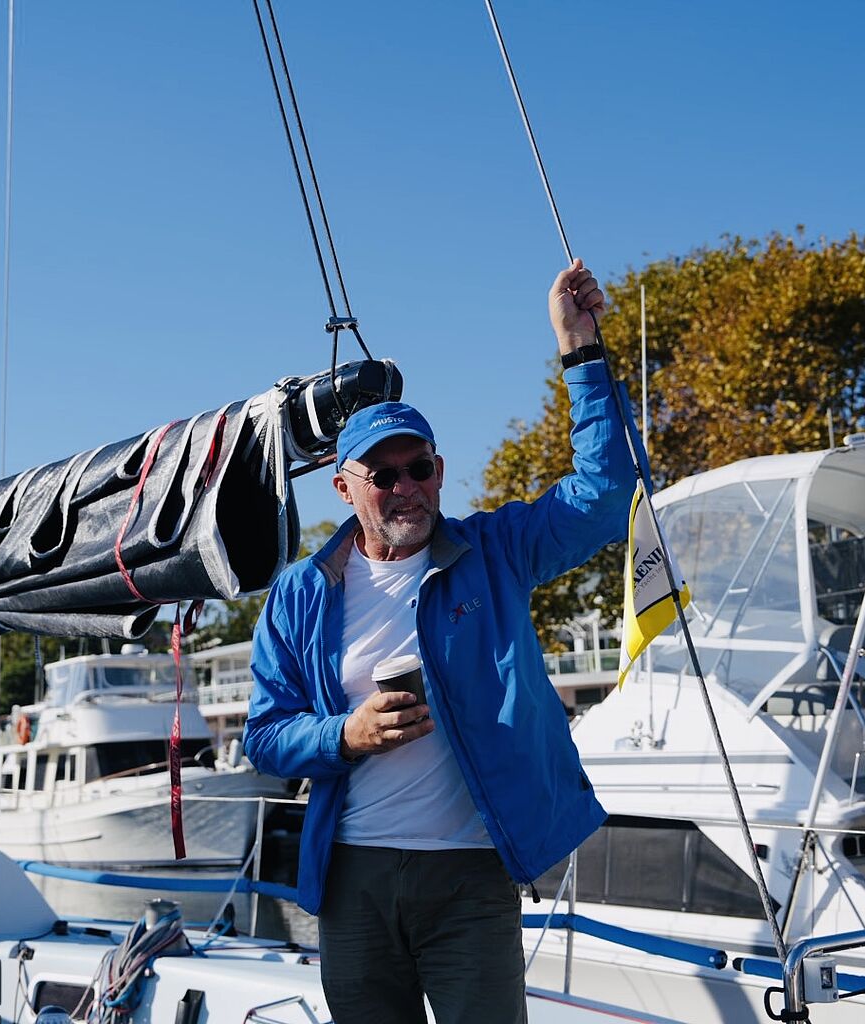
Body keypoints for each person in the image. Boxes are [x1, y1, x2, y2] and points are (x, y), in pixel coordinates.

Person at [245, 259, 635, 1024]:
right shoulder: (300, 593)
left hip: (470, 874)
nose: (404, 487)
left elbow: (603, 493)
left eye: (418, 468)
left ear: (439, 471)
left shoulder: (495, 552)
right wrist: (345, 735)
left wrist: (581, 351)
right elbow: (264, 737)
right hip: (353, 876)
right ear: (343, 488)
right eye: (382, 475)